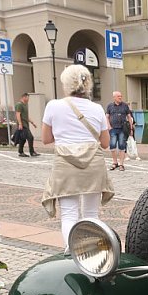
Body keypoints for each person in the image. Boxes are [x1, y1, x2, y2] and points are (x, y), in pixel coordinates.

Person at [41, 64, 113, 251]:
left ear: (66, 83)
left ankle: (71, 251)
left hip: (65, 163)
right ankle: (92, 254)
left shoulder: (53, 106)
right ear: (87, 84)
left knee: (69, 214)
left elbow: (46, 139)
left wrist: (65, 133)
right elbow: (105, 143)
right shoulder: (97, 108)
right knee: (91, 213)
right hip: (93, 164)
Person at [105, 91, 135, 171]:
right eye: (118, 96)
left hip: (122, 129)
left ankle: (121, 164)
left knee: (122, 146)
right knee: (112, 146)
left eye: (121, 96)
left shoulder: (125, 106)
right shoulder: (110, 106)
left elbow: (129, 117)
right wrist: (109, 126)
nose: (120, 97)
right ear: (114, 97)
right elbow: (107, 116)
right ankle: (115, 163)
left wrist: (131, 128)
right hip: (113, 129)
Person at [14, 92, 39, 157]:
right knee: (30, 137)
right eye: (28, 98)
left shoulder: (24, 105)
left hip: (25, 124)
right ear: (24, 97)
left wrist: (32, 122)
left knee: (23, 139)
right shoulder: (19, 105)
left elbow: (26, 116)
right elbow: (18, 114)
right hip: (23, 125)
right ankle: (32, 152)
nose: (28, 99)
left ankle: (21, 152)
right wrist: (20, 123)